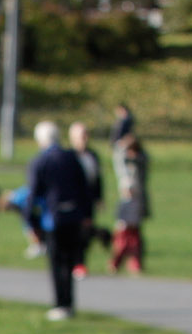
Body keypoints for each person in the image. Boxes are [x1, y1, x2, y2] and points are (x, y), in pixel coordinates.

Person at [24, 120, 90, 321]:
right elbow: (84, 188)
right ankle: (68, 303)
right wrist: (87, 215)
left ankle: (61, 304)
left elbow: (33, 194)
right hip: (74, 216)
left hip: (52, 219)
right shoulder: (71, 158)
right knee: (69, 262)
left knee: (57, 263)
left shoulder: (40, 161)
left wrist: (30, 221)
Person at [109, 131, 150, 275]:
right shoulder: (123, 162)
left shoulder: (140, 161)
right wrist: (122, 146)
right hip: (126, 198)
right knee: (123, 231)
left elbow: (145, 159)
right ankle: (116, 262)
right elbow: (118, 156)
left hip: (137, 199)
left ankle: (135, 262)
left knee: (135, 232)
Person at [67, 120, 104, 279]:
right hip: (73, 199)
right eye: (81, 135)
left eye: (86, 135)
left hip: (87, 199)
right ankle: (73, 261)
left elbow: (98, 178)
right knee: (73, 232)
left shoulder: (92, 155)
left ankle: (81, 263)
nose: (85, 138)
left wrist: (99, 198)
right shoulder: (68, 156)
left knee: (86, 232)